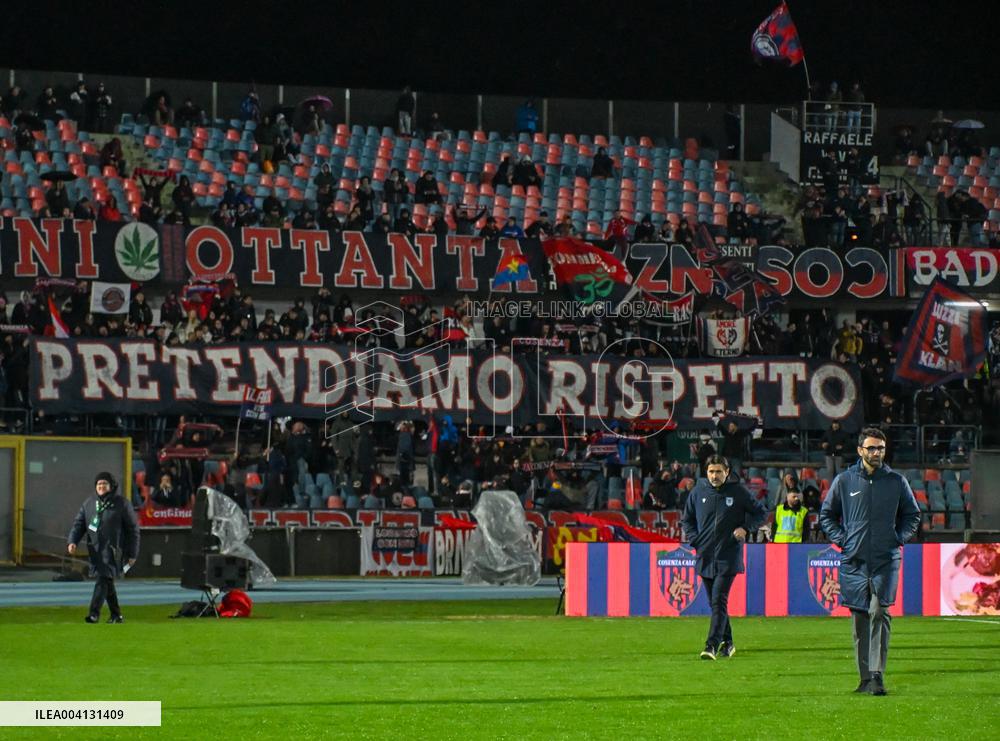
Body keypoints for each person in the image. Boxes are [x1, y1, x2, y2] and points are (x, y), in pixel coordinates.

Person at [819, 427, 921, 696]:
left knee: (880, 612)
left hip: (886, 559)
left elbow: (913, 515)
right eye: (872, 448)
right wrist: (843, 540)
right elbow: (826, 515)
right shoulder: (844, 481)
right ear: (860, 450)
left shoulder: (897, 481)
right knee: (859, 619)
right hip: (853, 560)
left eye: (881, 448)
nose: (877, 453)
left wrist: (898, 537)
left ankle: (877, 675)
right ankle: (864, 678)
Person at [681, 455, 766, 660]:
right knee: (715, 604)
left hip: (728, 556)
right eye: (711, 471)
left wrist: (745, 528)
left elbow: (760, 513)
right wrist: (696, 540)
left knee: (719, 601)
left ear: (727, 472)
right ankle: (728, 643)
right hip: (705, 556)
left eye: (718, 471)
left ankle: (711, 645)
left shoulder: (738, 492)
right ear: (706, 472)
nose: (714, 475)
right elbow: (687, 520)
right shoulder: (698, 492)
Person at [67, 472, 140, 623]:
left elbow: (133, 530)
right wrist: (72, 541)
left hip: (115, 551)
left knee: (103, 578)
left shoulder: (122, 504)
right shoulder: (89, 503)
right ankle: (116, 615)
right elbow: (79, 524)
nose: (101, 487)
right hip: (95, 551)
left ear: (111, 486)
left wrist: (132, 553)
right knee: (107, 581)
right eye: (99, 484)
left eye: (104, 484)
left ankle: (94, 613)